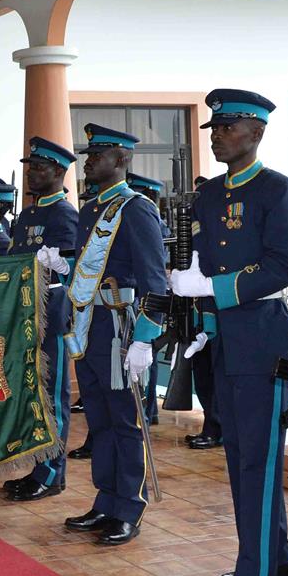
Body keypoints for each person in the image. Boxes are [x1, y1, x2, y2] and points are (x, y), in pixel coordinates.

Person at [170, 89, 288, 576]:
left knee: (258, 458)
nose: (219, 137)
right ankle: (277, 559)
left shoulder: (279, 192)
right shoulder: (210, 196)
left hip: (260, 338)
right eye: (215, 129)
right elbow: (201, 259)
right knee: (240, 454)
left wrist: (213, 289)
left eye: (228, 128)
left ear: (257, 132)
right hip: (220, 339)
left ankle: (256, 571)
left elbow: (281, 266)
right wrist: (190, 290)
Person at [61, 124, 168, 546]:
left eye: (97, 155)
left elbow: (155, 281)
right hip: (90, 326)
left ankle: (129, 505)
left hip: (119, 329)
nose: (88, 162)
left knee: (125, 421)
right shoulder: (91, 210)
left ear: (122, 161)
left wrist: (144, 338)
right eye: (89, 155)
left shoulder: (134, 208)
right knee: (100, 420)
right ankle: (105, 500)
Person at [3, 137, 79, 502]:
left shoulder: (64, 215)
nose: (31, 172)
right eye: (30, 166)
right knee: (31, 395)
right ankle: (37, 465)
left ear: (60, 173)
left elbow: (69, 270)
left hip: (50, 316)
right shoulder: (28, 215)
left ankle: (52, 473)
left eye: (40, 167)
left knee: (52, 397)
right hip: (25, 316)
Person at [128, 172, 170, 426]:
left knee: (147, 356)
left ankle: (148, 408)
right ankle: (147, 408)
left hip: (149, 299)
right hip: (141, 297)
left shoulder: (154, 222)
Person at [184, 175, 222, 450]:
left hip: (217, 310)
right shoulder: (197, 228)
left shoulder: (220, 233)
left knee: (216, 374)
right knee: (203, 374)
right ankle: (210, 422)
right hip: (198, 310)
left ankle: (215, 426)